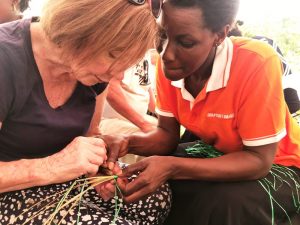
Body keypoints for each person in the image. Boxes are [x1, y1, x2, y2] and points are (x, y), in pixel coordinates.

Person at [105, 0, 300, 225]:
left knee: (223, 204)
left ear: (220, 34)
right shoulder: (171, 65)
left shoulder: (256, 62)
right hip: (218, 152)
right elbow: (166, 137)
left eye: (185, 42)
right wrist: (127, 142)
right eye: (162, 35)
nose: (166, 53)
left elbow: (259, 160)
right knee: (144, 182)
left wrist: (173, 167)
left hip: (281, 163)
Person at [0, 0, 171, 224]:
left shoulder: (91, 74)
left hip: (59, 181)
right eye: (113, 55)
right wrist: (54, 166)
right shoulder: (6, 58)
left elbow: (90, 134)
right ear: (80, 27)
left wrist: (97, 170)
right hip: (9, 191)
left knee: (155, 196)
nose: (117, 75)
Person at [100, 51, 158, 136]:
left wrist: (166, 117)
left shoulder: (146, 54)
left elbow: (146, 91)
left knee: (166, 131)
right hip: (110, 120)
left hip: (137, 120)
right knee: (156, 138)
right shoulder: (125, 50)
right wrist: (144, 125)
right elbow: (111, 88)